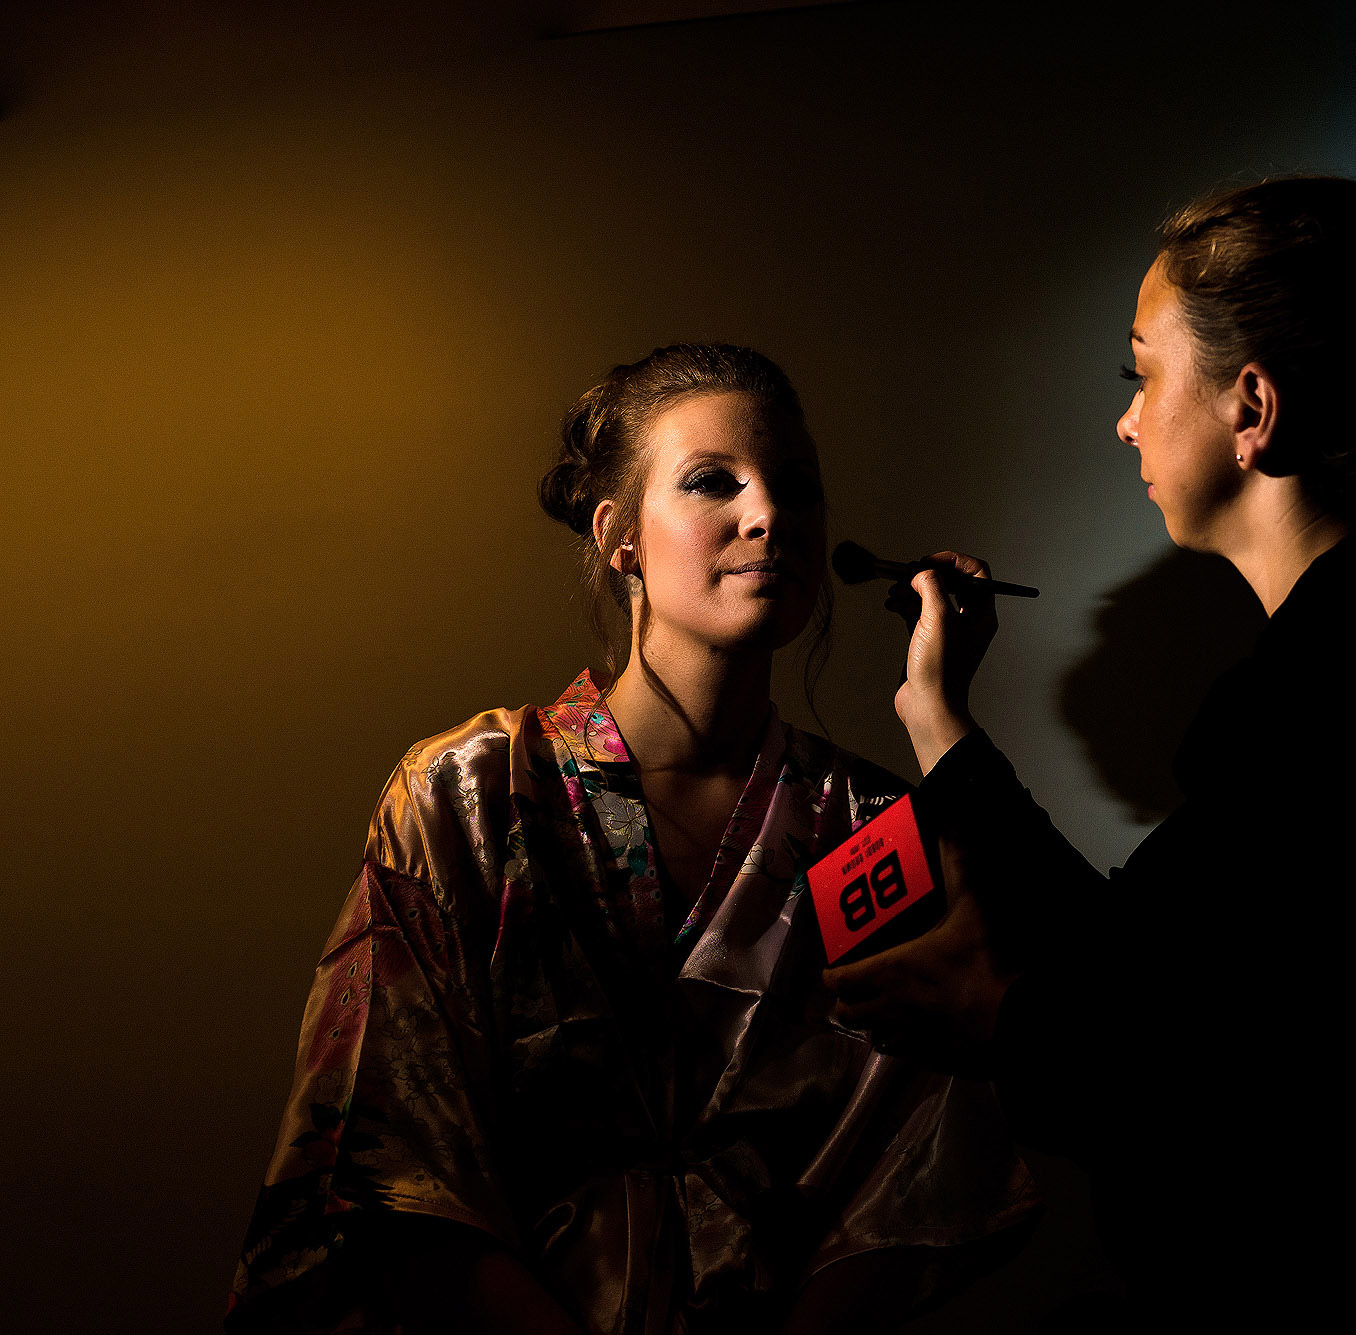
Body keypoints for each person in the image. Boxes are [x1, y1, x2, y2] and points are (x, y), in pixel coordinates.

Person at [827, 160, 1356, 1328]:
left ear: (1250, 409)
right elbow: (1153, 960)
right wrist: (938, 717)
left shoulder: (1345, 688)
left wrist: (995, 1017)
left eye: (1142, 369)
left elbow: (1210, 1080)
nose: (1124, 416)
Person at [227, 345, 1037, 1335]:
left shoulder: (869, 828)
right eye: (712, 482)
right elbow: (376, 1140)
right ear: (620, 539)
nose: (769, 515)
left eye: (796, 488)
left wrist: (935, 710)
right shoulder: (471, 792)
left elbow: (925, 1156)